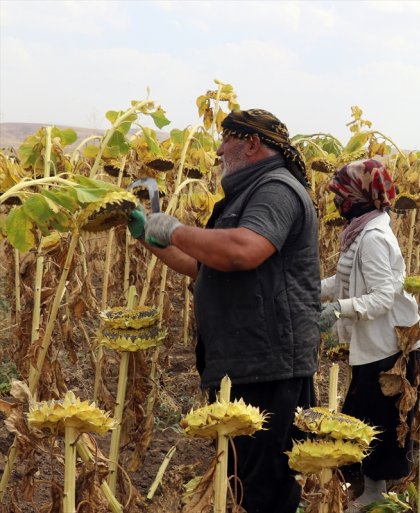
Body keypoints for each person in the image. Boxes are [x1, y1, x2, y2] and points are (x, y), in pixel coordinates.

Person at [128, 109, 320, 513]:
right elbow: (200, 264)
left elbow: (241, 251)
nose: (217, 150)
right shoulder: (248, 194)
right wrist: (149, 234)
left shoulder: (276, 190)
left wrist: (176, 229)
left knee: (265, 488)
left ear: (251, 144)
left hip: (270, 365)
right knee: (241, 480)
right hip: (243, 359)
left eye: (226, 140)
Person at [319, 159, 420, 511]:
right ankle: (370, 485)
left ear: (360, 195)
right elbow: (346, 280)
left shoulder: (374, 238)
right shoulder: (360, 231)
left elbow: (381, 297)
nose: (338, 200)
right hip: (377, 341)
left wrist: (337, 309)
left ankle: (376, 493)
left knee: (377, 418)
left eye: (343, 193)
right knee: (363, 413)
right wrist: (309, 290)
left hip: (392, 345)